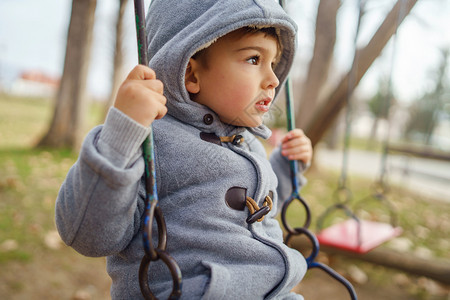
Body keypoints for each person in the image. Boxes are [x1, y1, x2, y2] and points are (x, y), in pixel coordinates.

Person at [55, 0, 313, 299]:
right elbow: (90, 236)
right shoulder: (151, 140)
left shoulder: (249, 143)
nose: (273, 79)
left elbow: (258, 213)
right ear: (191, 74)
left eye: (273, 62)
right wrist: (120, 136)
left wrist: (285, 164)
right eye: (254, 59)